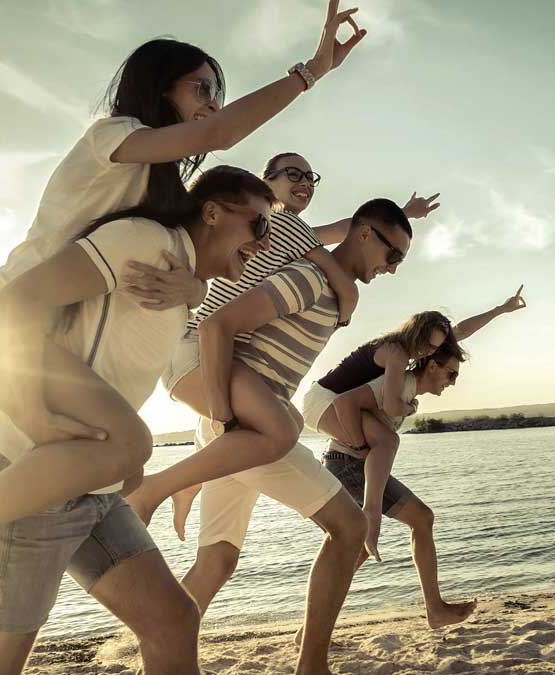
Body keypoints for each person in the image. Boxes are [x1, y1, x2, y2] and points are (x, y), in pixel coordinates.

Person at [0, 6, 367, 671]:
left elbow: (178, 250)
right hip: (0, 317)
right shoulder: (113, 139)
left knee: (171, 615)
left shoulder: (158, 206)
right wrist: (312, 70)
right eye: (201, 88)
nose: (213, 106)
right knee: (120, 444)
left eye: (217, 92)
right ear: (159, 88)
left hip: (39, 354)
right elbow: (223, 145)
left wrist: (197, 292)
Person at [124, 150, 440, 537]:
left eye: (311, 177)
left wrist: (398, 217)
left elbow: (341, 232)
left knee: (289, 420)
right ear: (267, 182)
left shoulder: (290, 232)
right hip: (201, 343)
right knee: (281, 430)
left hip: (217, 346)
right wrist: (347, 294)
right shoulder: (279, 224)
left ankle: (189, 478)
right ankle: (157, 488)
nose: (305, 182)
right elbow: (335, 248)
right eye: (293, 174)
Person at [165, 199, 413, 675]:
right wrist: (224, 418)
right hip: (248, 425)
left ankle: (161, 658)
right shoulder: (308, 279)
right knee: (350, 529)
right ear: (364, 235)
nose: (393, 268)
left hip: (241, 420)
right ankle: (312, 666)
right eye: (393, 255)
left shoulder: (332, 288)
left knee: (216, 561)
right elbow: (221, 323)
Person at [301, 287, 527, 559]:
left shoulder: (415, 349)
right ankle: (371, 512)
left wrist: (501, 309)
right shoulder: (396, 353)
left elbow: (462, 331)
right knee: (386, 442)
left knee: (384, 445)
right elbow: (391, 405)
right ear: (416, 332)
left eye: (435, 347)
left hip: (338, 402)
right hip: (322, 402)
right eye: (429, 345)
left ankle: (368, 509)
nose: (430, 351)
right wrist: (408, 409)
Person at [317, 341, 478, 629]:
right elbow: (347, 405)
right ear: (432, 365)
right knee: (408, 524)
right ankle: (434, 609)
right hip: (347, 463)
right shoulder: (399, 384)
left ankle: (435, 609)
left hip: (354, 464)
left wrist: (501, 310)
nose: (452, 382)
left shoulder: (405, 390)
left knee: (399, 529)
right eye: (451, 374)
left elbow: (456, 333)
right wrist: (372, 508)